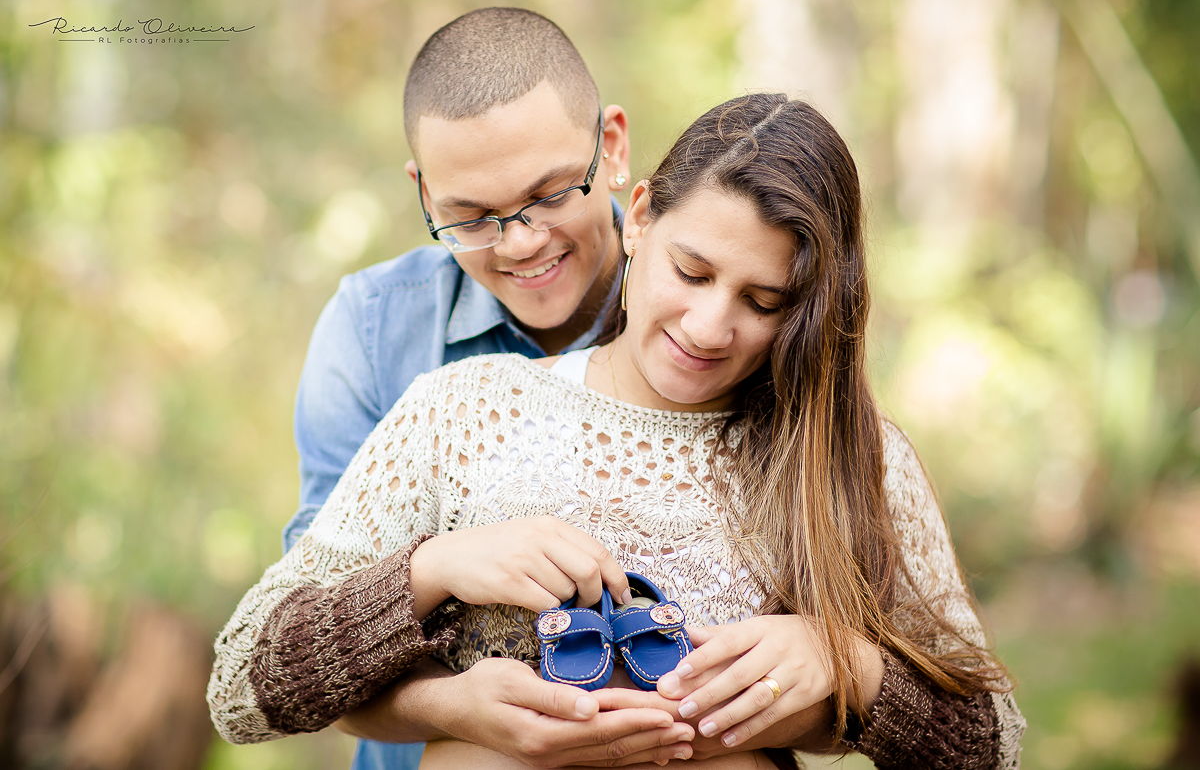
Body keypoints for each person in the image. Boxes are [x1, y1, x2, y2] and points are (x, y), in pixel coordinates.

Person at [208, 93, 1026, 769]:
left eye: (763, 301)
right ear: (639, 219)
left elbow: (995, 744)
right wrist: (428, 571)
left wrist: (849, 665)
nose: (710, 325)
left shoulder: (846, 457)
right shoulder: (462, 410)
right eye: (693, 271)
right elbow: (243, 686)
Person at [283, 6, 646, 770]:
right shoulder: (373, 331)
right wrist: (450, 705)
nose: (521, 242)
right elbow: (303, 636)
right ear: (423, 194)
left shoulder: (705, 315)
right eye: (471, 217)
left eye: (549, 195)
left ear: (610, 146)